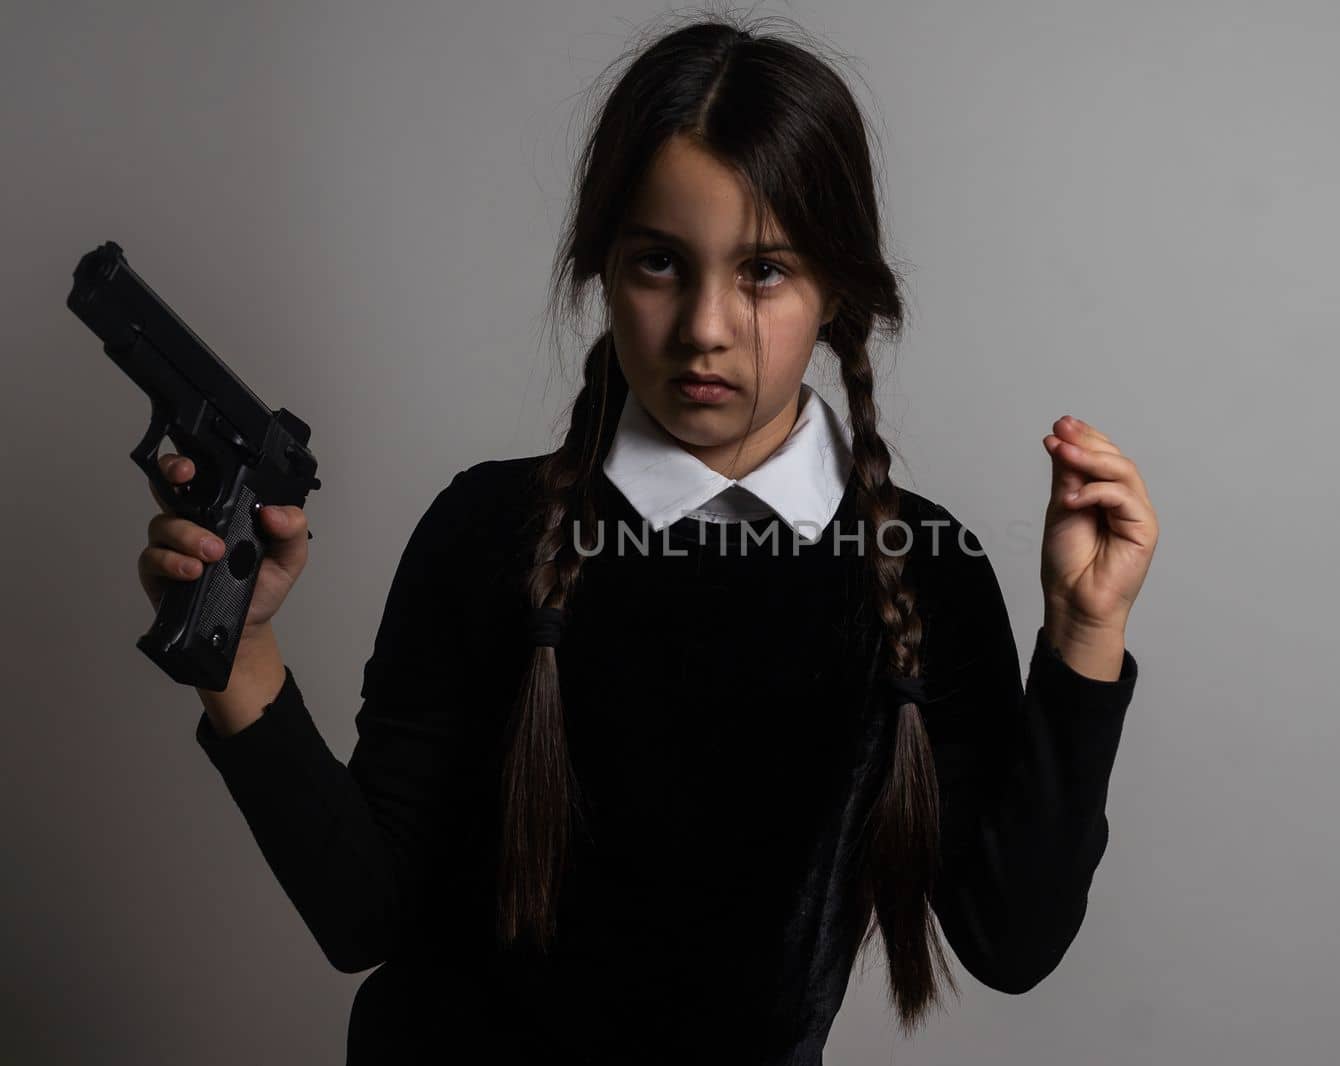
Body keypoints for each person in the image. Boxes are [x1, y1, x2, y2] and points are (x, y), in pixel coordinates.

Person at [137, 13, 1158, 1065]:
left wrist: (1085, 634)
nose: (705, 327)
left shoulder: (921, 573)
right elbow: (364, 918)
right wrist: (239, 650)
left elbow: (1010, 939)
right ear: (603, 268)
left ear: (836, 289)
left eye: (763, 271)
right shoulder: (485, 533)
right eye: (660, 264)